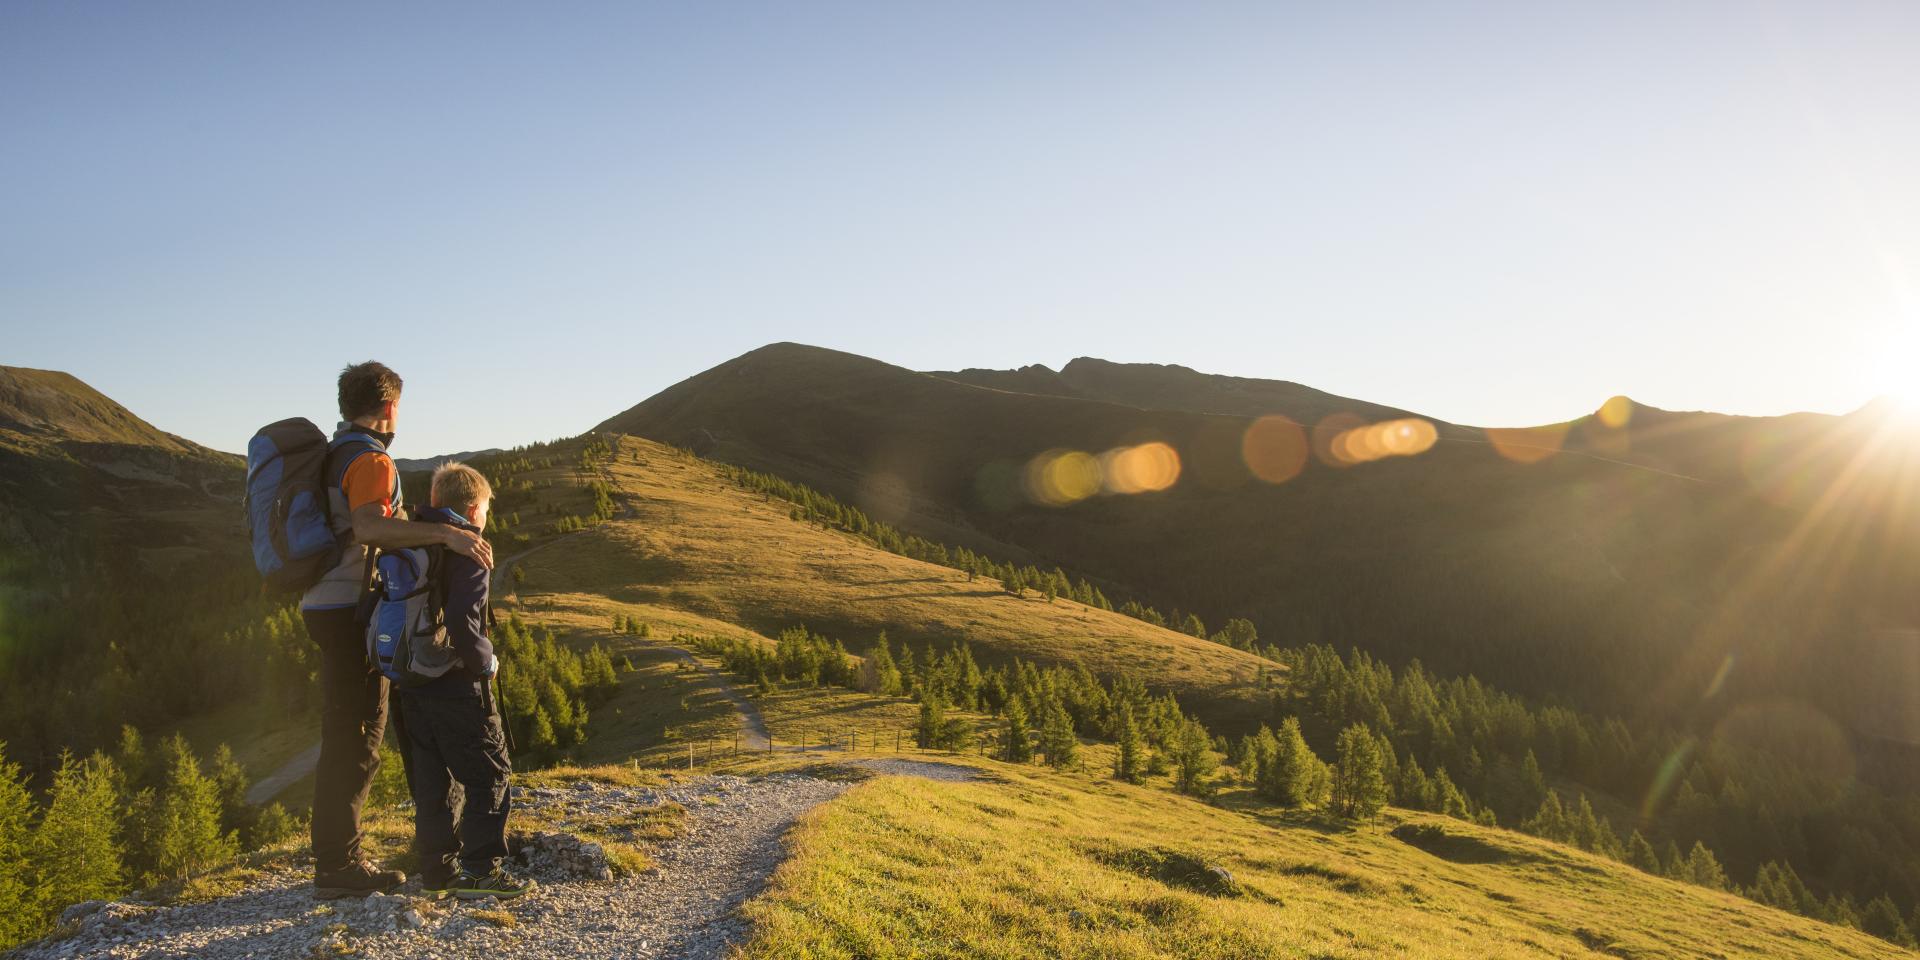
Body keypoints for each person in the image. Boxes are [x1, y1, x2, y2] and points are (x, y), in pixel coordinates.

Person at [301, 361, 494, 899]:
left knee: (346, 728)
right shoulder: (371, 459)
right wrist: (446, 536)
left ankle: (338, 857)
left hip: (322, 602)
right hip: (349, 609)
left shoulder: (331, 454)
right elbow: (368, 528)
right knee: (357, 735)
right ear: (389, 407)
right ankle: (338, 866)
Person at [400, 462, 532, 900]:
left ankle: (437, 871)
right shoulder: (470, 549)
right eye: (487, 510)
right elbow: (462, 621)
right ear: (474, 507)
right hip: (455, 681)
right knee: (490, 773)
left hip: (411, 679)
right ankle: (480, 871)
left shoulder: (409, 539)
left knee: (433, 778)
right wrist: (484, 662)